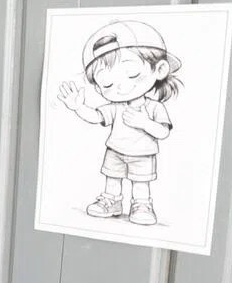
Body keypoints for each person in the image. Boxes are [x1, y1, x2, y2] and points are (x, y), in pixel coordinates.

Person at [57, 19, 180, 226]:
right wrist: (78, 106)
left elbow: (163, 132)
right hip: (115, 150)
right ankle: (111, 202)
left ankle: (141, 204)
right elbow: (96, 117)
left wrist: (144, 123)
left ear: (159, 69)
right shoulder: (116, 107)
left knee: (141, 183)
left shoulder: (154, 107)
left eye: (132, 73)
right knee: (112, 179)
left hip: (143, 154)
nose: (121, 87)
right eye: (107, 82)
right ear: (98, 87)